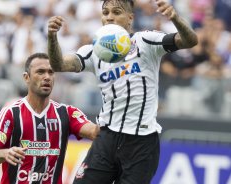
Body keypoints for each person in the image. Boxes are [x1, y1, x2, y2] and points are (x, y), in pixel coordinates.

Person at [47, 0, 198, 183]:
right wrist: (52, 37)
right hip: (106, 137)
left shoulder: (145, 41)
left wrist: (175, 18)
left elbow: (190, 41)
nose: (109, 17)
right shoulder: (93, 51)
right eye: (105, 12)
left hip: (141, 143)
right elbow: (59, 64)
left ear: (130, 18)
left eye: (116, 12)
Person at [0, 52, 99, 184]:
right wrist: (5, 153)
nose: (47, 77)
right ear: (26, 77)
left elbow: (95, 133)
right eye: (40, 72)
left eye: (51, 72)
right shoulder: (11, 113)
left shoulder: (67, 113)